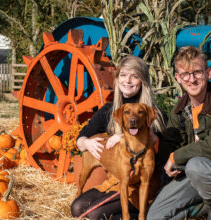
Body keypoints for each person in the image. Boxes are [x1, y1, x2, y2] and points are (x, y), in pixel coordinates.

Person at [147, 46, 211, 220]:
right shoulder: (179, 111)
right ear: (178, 78)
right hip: (193, 174)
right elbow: (169, 151)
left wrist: (176, 156)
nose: (192, 79)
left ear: (208, 73)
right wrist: (155, 142)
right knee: (155, 217)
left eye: (197, 72)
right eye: (185, 74)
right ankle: (200, 208)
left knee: (196, 166)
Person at [71, 55, 167, 220]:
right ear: (117, 79)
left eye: (134, 76)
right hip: (117, 181)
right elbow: (81, 138)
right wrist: (86, 142)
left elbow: (160, 148)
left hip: (143, 185)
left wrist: (122, 136)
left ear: (143, 81)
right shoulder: (109, 110)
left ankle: (145, 213)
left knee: (95, 214)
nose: (127, 80)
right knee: (77, 208)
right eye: (123, 75)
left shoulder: (153, 113)